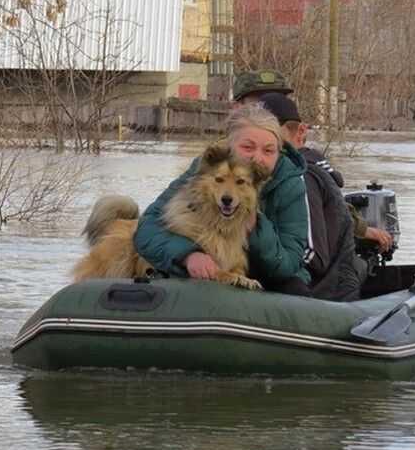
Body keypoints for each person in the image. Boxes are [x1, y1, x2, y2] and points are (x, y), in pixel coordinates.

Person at [133, 104, 312, 296]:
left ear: (279, 152)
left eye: (268, 151)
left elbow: (289, 263)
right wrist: (187, 255)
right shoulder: (204, 170)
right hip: (210, 274)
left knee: (296, 289)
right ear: (228, 145)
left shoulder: (291, 184)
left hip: (268, 279)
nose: (257, 158)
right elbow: (146, 229)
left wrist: (255, 228)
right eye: (247, 147)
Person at [234, 69, 393, 254]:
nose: (264, 115)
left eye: (273, 100)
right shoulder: (215, 161)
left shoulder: (302, 170)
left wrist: (360, 228)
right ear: (236, 109)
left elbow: (330, 210)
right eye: (257, 104)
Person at [258, 93, 359, 301]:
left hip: (323, 297)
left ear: (301, 131)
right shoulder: (269, 174)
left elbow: (313, 257)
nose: (264, 134)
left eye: (271, 127)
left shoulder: (302, 176)